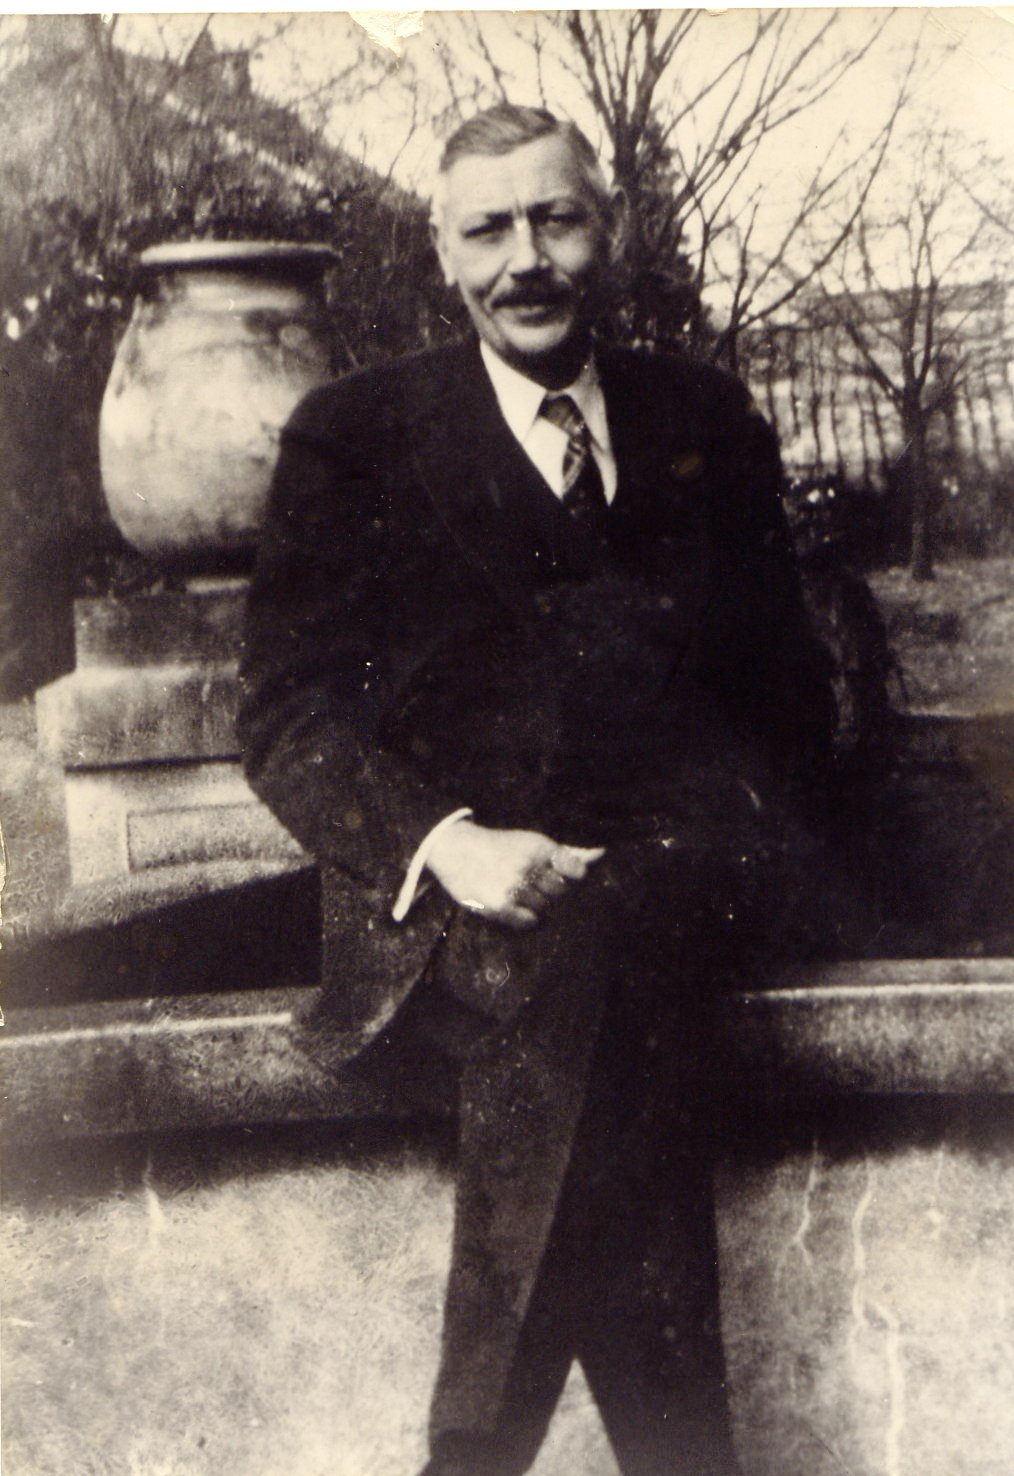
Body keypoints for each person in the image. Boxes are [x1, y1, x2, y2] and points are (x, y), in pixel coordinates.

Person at [238, 104, 837, 1476]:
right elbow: (284, 717)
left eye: (556, 219)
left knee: (603, 958)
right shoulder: (353, 437)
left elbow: (787, 697)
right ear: (442, 252)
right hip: (443, 912)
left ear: (604, 231)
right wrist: (446, 842)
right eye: (489, 229)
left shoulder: (702, 419)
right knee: (581, 986)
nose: (527, 259)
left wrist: (710, 834)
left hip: (675, 887)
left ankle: (473, 1455)